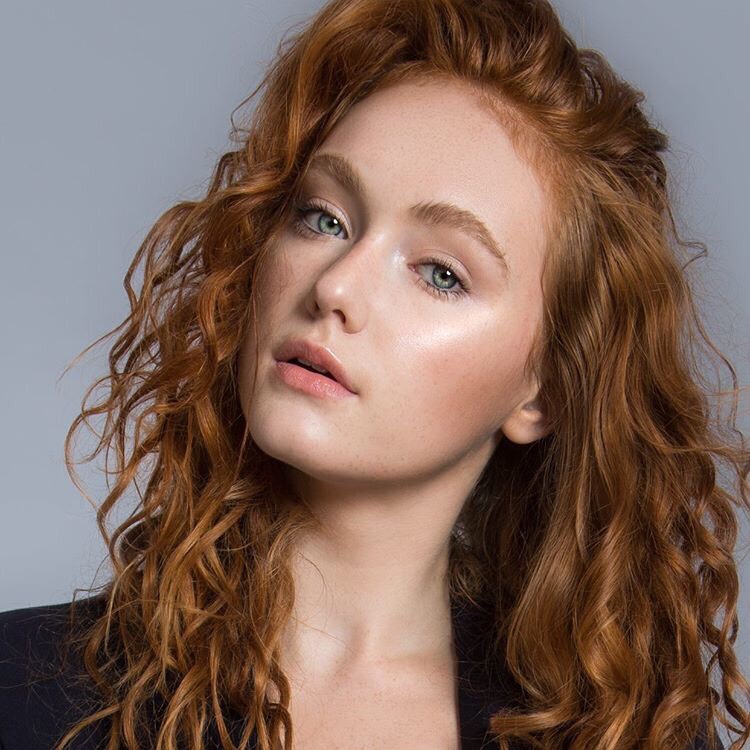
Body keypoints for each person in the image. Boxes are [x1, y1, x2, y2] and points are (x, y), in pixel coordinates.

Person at [0, 0, 747, 747]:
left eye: (441, 273)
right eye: (324, 218)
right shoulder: (21, 694)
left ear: (542, 392)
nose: (335, 286)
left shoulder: (630, 733)